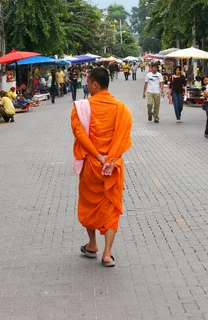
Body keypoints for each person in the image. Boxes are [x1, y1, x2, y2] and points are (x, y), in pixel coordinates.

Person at [71, 67, 132, 267]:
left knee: (89, 204)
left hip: (91, 165)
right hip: (112, 167)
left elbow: (80, 134)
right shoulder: (121, 109)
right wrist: (111, 159)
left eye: (88, 83)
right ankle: (107, 253)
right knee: (111, 207)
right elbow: (123, 137)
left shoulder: (81, 107)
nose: (86, 86)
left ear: (95, 84)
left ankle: (92, 243)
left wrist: (98, 155)